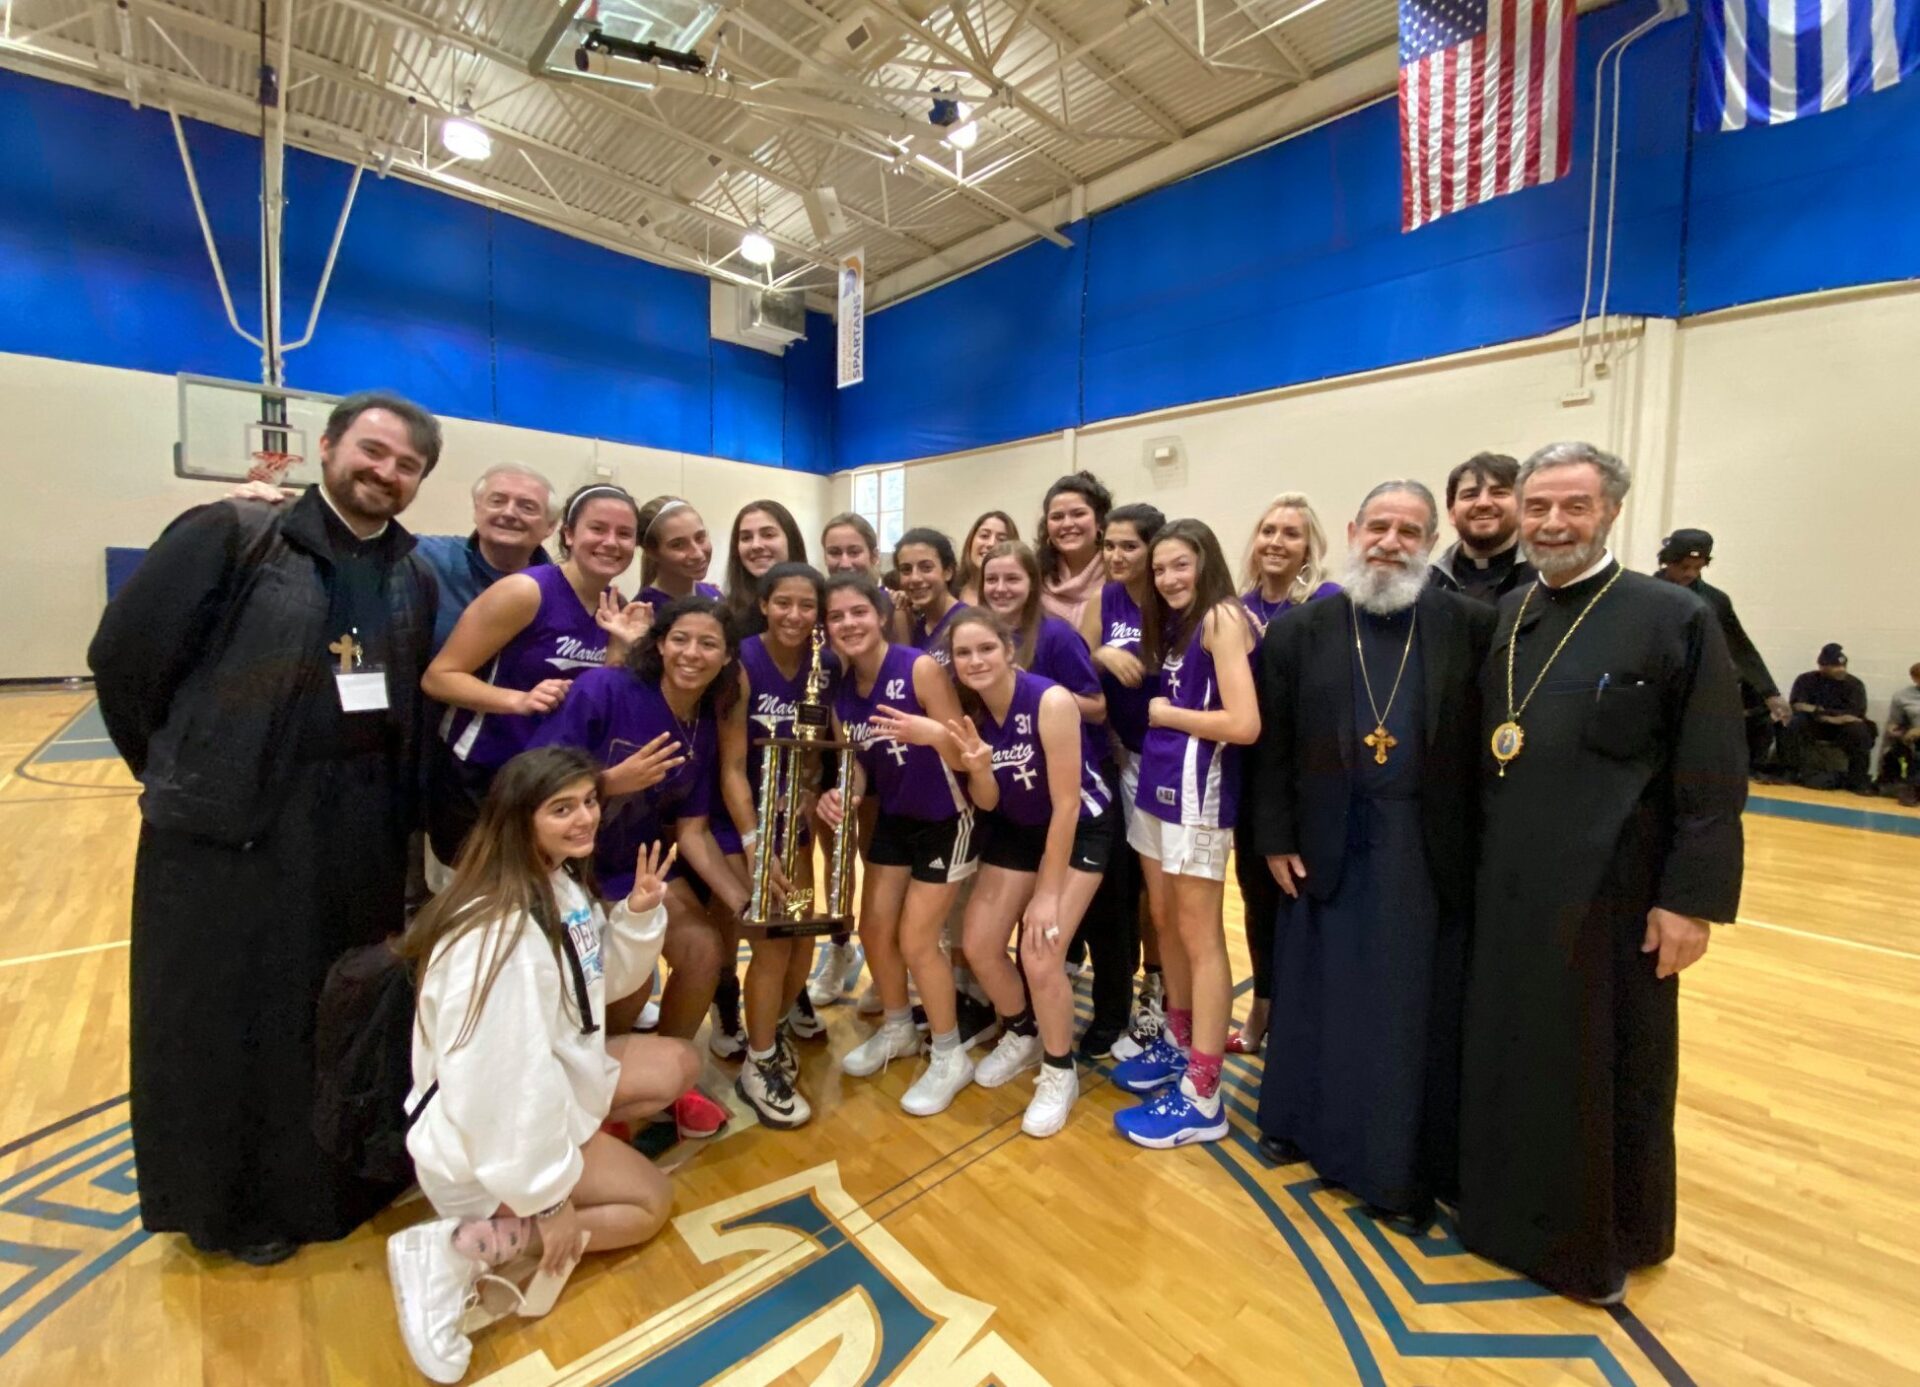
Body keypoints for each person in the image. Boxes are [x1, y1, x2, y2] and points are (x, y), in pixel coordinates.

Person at [88, 390, 443, 1264]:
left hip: (357, 828)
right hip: (231, 832)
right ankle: (226, 1208)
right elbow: (125, 663)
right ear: (326, 446)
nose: (385, 472)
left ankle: (329, 1184)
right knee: (222, 1020)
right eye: (373, 451)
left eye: (406, 465)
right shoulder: (233, 535)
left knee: (331, 1009)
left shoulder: (412, 572)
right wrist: (189, 776)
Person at [1457, 441, 1747, 1304]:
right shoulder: (1510, 612)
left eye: (1572, 507)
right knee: (1516, 1059)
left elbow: (1711, 772)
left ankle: (1605, 1235)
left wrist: (1688, 902)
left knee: (1611, 1070)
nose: (1552, 523)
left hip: (1615, 897)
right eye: (1538, 507)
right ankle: (1505, 1218)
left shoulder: (1673, 615)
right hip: (1510, 888)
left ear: (1611, 510)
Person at [387, 751, 696, 1383]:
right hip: (488, 1143)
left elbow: (594, 986)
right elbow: (501, 1089)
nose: (585, 819)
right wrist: (549, 1199)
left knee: (675, 1065)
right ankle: (457, 1250)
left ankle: (551, 1186)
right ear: (518, 819)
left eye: (589, 802)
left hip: (548, 1088)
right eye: (562, 809)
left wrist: (636, 915)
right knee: (649, 1204)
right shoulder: (501, 934)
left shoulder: (548, 881)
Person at [1243, 482, 1493, 1222]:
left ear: (1430, 538)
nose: (1390, 541)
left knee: (1406, 1006)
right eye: (1377, 526)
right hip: (1326, 842)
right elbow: (1273, 751)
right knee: (1320, 989)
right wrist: (1277, 836)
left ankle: (1393, 1157)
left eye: (1408, 530)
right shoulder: (1302, 631)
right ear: (1353, 531)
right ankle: (1303, 1125)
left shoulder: (1470, 626)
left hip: (1423, 845)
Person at [526, 597, 747, 1142]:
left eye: (708, 643)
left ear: (726, 658)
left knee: (703, 949)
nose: (692, 653)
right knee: (620, 980)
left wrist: (744, 899)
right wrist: (608, 782)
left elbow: (692, 832)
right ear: (660, 643)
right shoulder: (606, 689)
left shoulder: (701, 728)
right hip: (568, 870)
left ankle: (665, 1087)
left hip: (640, 865)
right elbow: (531, 781)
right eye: (681, 639)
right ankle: (600, 1088)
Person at [933, 610, 1116, 1137]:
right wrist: (981, 770)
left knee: (1040, 952)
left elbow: (1065, 806)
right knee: (980, 942)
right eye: (963, 653)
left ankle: (1060, 1071)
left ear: (1009, 649)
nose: (975, 661)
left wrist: (1047, 893)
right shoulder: (969, 712)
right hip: (1017, 826)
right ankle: (1024, 1031)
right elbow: (988, 802)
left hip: (1080, 825)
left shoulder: (1050, 700)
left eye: (986, 648)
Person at [1109, 520, 1261, 1149]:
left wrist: (1168, 714)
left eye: (1181, 566)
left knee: (1200, 937)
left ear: (1207, 563)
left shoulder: (1222, 617)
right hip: (1161, 784)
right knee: (1167, 921)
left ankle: (1204, 1093)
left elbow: (1245, 723)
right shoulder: (1173, 623)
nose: (1169, 578)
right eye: (1161, 568)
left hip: (1200, 791)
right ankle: (1177, 1042)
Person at [820, 573, 981, 1116]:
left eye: (858, 613)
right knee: (874, 928)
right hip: (894, 817)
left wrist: (931, 733)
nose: (849, 624)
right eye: (837, 617)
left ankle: (949, 1051)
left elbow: (966, 753)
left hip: (946, 816)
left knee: (917, 941)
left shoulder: (919, 667)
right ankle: (897, 1026)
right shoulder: (843, 692)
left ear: (880, 614)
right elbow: (858, 768)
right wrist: (843, 791)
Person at [422, 485, 648, 866]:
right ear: (569, 534)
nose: (611, 542)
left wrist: (624, 649)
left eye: (624, 534)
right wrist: (518, 700)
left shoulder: (616, 606)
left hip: (549, 786)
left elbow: (593, 695)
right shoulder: (526, 591)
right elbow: (439, 677)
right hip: (481, 780)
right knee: (482, 915)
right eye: (598, 529)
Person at [720, 563, 835, 1128]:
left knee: (798, 936)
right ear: (764, 604)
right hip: (747, 831)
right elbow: (731, 767)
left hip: (795, 834)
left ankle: (776, 1025)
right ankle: (756, 1060)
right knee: (769, 945)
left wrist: (814, 798)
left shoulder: (824, 665)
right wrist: (754, 841)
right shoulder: (740, 663)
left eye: (806, 605)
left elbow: (816, 754)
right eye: (783, 603)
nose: (794, 615)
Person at [1229, 493, 1341, 1055]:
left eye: (1291, 533)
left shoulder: (1329, 604)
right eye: (1268, 530)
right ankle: (1263, 1008)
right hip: (1252, 780)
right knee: (1257, 903)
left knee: (1307, 904)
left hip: (1311, 782)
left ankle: (1306, 1023)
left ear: (1310, 548)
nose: (1276, 541)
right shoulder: (1236, 608)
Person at [1079, 502, 1164, 1059]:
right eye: (1108, 545)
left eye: (1128, 546)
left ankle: (1157, 986)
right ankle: (1123, 986)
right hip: (1118, 756)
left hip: (1165, 757)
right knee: (1121, 882)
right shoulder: (1102, 601)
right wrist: (1104, 652)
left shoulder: (1171, 597)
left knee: (1159, 889)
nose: (1114, 556)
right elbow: (1078, 659)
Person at [1654, 528, 1791, 772]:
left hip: (1694, 694)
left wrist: (1770, 692)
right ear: (1667, 560)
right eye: (1684, 567)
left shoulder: (1714, 600)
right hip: (1650, 691)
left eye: (1698, 568)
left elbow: (1741, 647)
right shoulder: (1643, 593)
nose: (1690, 574)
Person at [1432, 452, 1535, 604]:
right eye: (1470, 495)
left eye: (1499, 493)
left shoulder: (1546, 577)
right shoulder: (1429, 583)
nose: (1483, 503)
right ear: (1452, 513)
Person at [1783, 643, 1878, 795]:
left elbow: (1855, 713)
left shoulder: (1854, 684)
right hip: (1816, 724)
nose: (1841, 669)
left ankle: (1858, 780)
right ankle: (1790, 771)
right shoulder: (1806, 680)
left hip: (1842, 728)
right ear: (1822, 666)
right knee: (1794, 723)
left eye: (1843, 665)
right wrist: (1829, 717)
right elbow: (1797, 705)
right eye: (1835, 666)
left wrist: (1818, 710)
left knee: (1860, 730)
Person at [720, 500, 808, 636]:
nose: (756, 545)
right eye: (746, 537)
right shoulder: (726, 616)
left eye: (768, 535)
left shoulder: (820, 603)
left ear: (791, 540)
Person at [1035, 472, 1111, 629]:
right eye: (1057, 517)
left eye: (1078, 514)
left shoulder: (1118, 576)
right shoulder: (1034, 579)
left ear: (1099, 521)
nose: (1067, 524)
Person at [892, 527, 968, 666]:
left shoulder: (967, 623)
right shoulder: (919, 625)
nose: (915, 578)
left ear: (948, 572)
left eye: (926, 567)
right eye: (906, 570)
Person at [634, 495, 723, 608]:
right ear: (652, 552)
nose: (698, 554)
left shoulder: (713, 595)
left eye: (700, 538)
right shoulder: (644, 613)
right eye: (678, 545)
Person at [954, 510, 1019, 607]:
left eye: (1001, 539)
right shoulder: (950, 589)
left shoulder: (1016, 595)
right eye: (984, 536)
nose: (991, 544)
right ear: (971, 541)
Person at [1880, 663, 1920, 806]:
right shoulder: (1903, 696)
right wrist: (1894, 730)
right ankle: (1911, 789)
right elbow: (1895, 722)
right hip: (1912, 738)